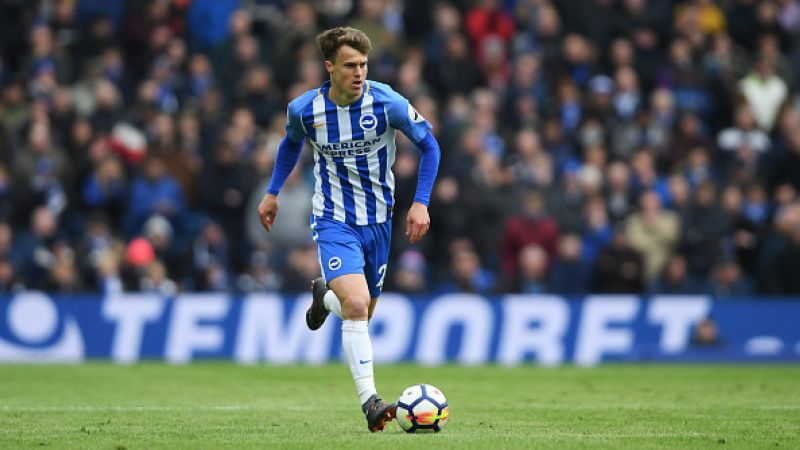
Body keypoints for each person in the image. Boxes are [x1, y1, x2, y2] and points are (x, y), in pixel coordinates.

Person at [257, 27, 440, 432]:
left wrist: (422, 201)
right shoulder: (305, 110)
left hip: (379, 221)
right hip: (334, 220)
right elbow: (290, 144)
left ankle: (325, 294)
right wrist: (273, 192)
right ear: (330, 67)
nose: (359, 73)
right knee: (357, 306)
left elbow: (430, 146)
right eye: (350, 65)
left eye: (364, 65)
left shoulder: (387, 101)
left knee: (361, 311)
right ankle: (371, 403)